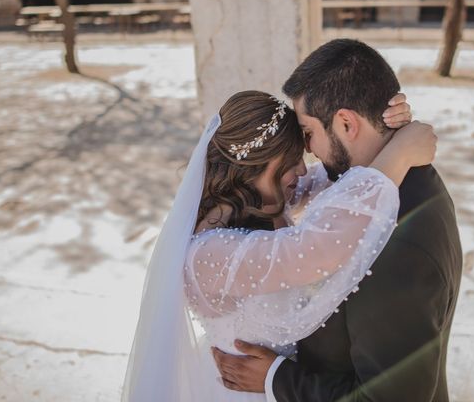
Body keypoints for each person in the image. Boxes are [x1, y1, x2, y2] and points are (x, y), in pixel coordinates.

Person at [122, 86, 436, 401]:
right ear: (256, 163)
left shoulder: (262, 201)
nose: (301, 169)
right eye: (291, 159)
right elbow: (311, 249)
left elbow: (339, 177)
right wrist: (401, 153)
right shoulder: (208, 255)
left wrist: (381, 126)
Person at [213, 39, 462, 402]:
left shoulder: (396, 245)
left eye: (309, 133)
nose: (308, 151)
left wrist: (277, 379)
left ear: (346, 122)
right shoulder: (392, 181)